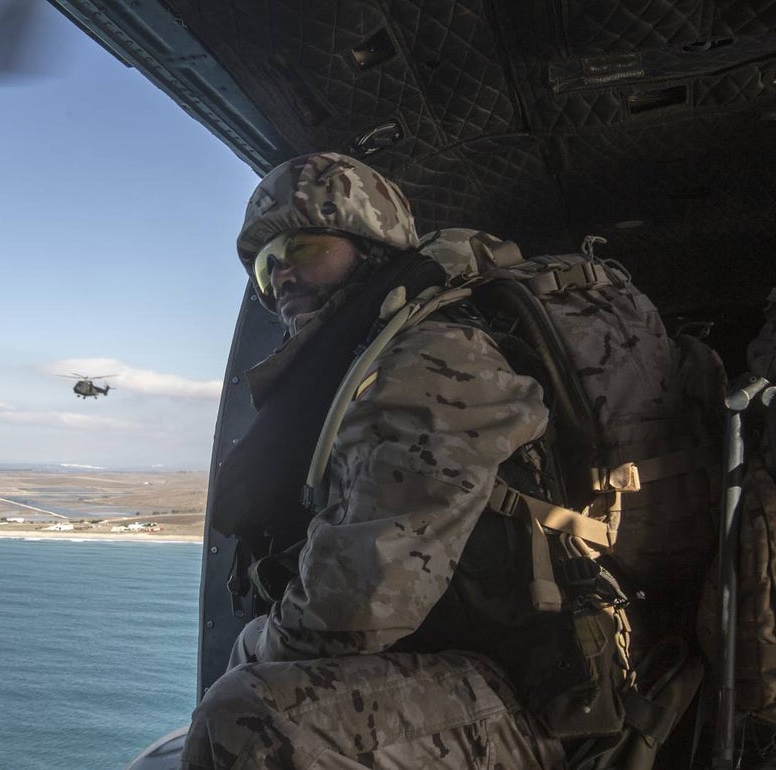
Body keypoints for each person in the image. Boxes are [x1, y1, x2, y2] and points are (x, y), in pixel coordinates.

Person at [180, 152, 565, 769]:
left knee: (249, 717)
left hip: (539, 694)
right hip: (470, 660)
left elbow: (356, 608)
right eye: (264, 266)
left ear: (372, 245)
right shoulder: (364, 365)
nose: (279, 277)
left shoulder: (431, 358)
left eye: (301, 249)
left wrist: (257, 650)